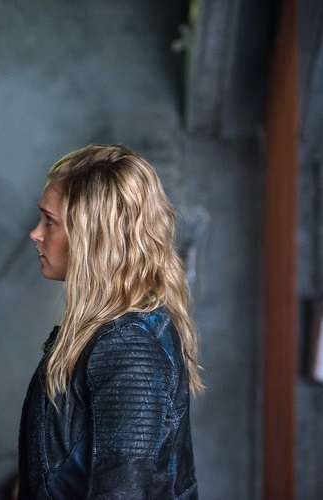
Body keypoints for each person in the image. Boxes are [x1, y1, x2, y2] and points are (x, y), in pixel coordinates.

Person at [18, 144, 203, 499]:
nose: (35, 233)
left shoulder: (129, 345)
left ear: (92, 237)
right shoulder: (111, 332)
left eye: (49, 221)